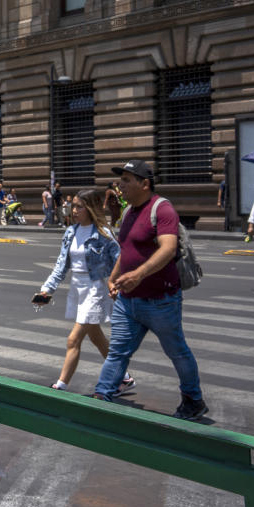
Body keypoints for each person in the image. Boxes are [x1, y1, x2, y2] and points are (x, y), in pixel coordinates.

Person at [93, 159, 208, 420]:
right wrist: (114, 278)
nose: (120, 185)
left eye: (126, 180)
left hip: (160, 300)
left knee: (176, 351)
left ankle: (193, 399)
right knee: (117, 352)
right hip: (128, 300)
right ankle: (103, 395)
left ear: (144, 183)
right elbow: (127, 251)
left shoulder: (162, 209)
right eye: (120, 180)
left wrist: (139, 273)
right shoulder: (129, 212)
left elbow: (168, 249)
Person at [35, 189, 133, 393]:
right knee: (96, 337)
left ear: (90, 208)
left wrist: (117, 283)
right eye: (74, 206)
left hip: (95, 289)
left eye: (80, 206)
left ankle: (60, 385)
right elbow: (61, 266)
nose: (75, 210)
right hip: (77, 289)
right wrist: (46, 289)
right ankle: (123, 375)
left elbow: (121, 260)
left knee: (74, 339)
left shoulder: (103, 235)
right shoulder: (71, 232)